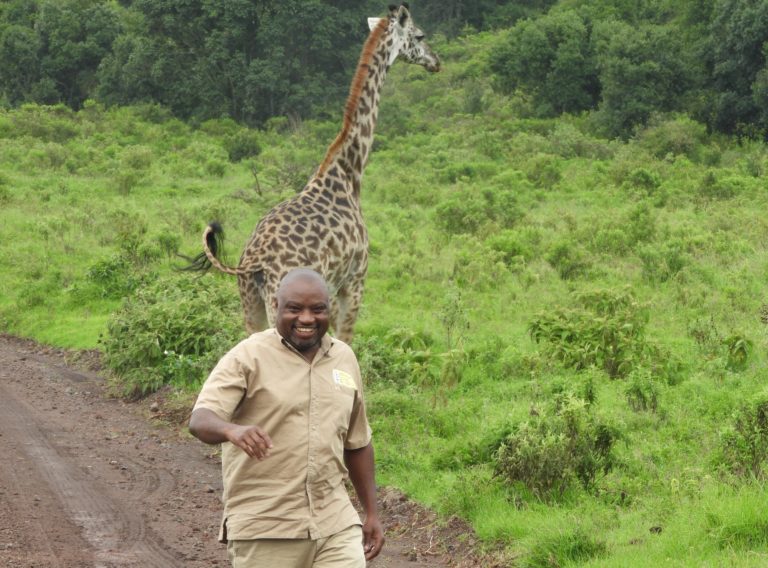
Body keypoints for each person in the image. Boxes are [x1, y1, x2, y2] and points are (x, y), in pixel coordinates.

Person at [189, 268, 384, 567]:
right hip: (266, 526)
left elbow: (357, 442)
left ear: (329, 310)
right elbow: (201, 419)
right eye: (295, 308)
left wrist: (371, 513)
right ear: (276, 307)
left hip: (335, 523)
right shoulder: (248, 356)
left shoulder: (343, 358)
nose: (306, 319)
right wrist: (231, 430)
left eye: (317, 309)